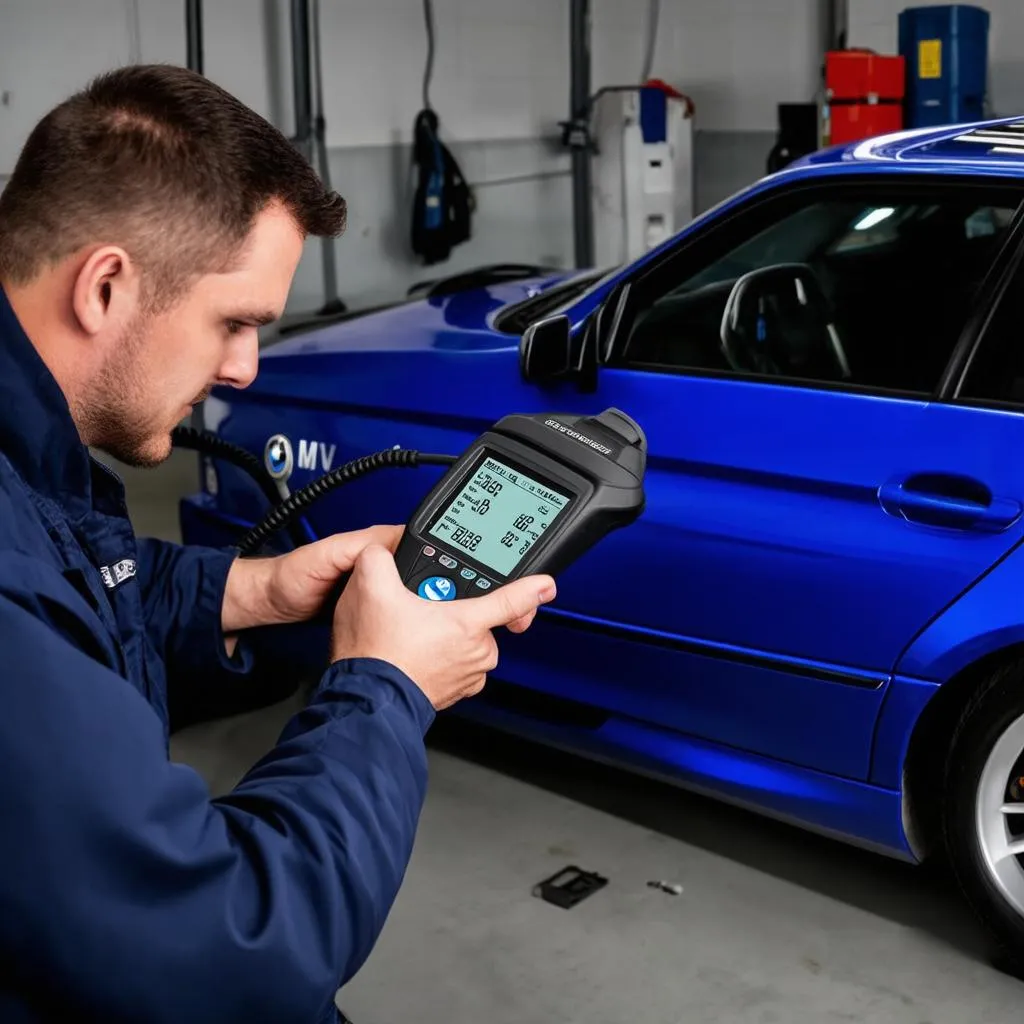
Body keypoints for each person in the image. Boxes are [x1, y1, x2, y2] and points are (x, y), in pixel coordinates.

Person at [0, 64, 555, 1023]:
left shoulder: (37, 448)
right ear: (105, 287)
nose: (246, 368)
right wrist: (386, 687)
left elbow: (72, 585)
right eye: (235, 322)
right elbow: (232, 946)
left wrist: (249, 591)